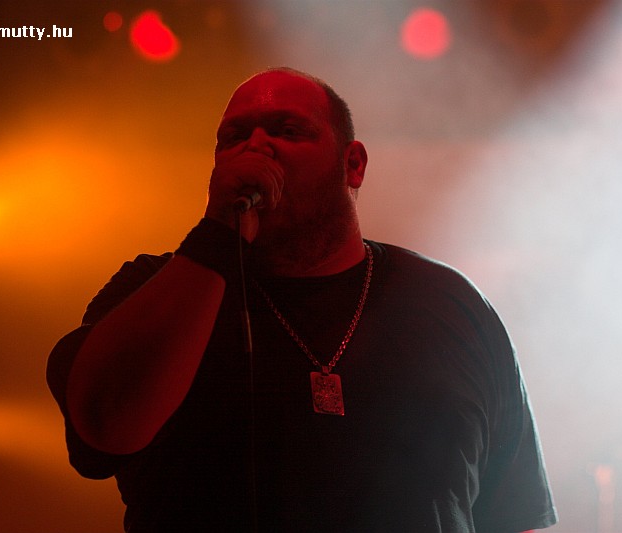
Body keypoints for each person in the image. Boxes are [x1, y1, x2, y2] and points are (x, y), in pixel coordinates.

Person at [47, 67, 557, 532]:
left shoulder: (449, 305)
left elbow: (512, 516)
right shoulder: (154, 289)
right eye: (233, 138)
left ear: (352, 164)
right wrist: (217, 233)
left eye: (288, 130)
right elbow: (106, 429)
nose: (256, 146)